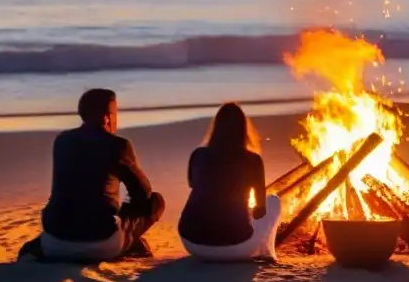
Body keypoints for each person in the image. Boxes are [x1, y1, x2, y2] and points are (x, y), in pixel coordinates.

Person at [19, 88, 165, 261]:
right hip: (100, 242)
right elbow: (143, 194)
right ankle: (128, 241)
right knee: (156, 202)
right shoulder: (119, 145)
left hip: (53, 240)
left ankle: (50, 246)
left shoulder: (62, 141)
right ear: (107, 117)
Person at [178, 102, 282, 261]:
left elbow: (192, 184)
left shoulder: (198, 155)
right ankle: (266, 251)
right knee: (274, 201)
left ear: (216, 127)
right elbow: (260, 209)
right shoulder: (253, 160)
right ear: (243, 129)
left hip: (192, 242)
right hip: (235, 246)